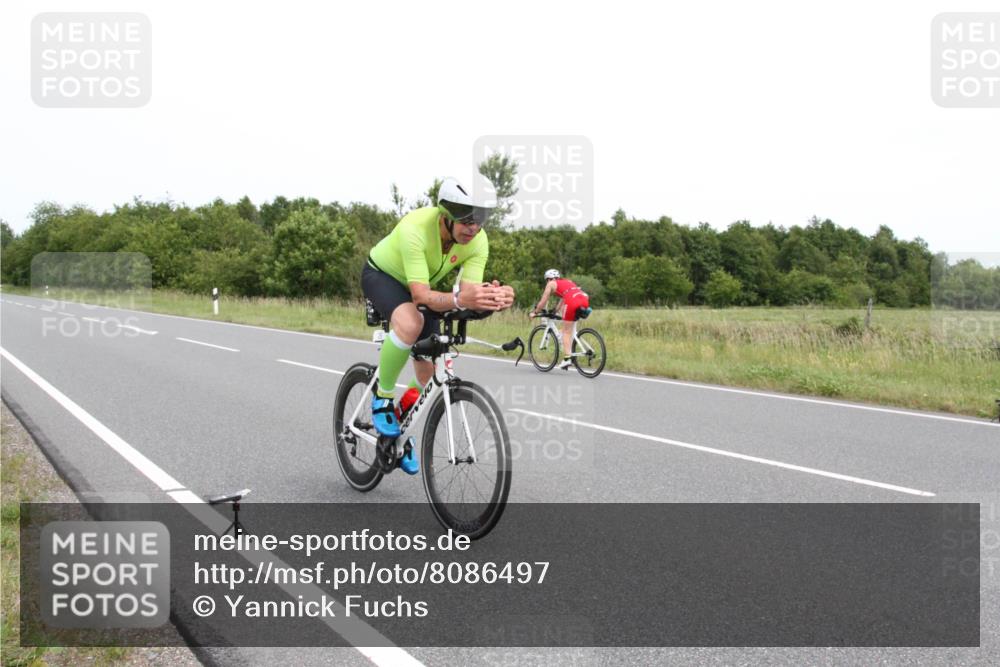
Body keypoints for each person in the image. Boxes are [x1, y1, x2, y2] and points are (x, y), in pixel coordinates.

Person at [362, 177, 515, 473]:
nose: (473, 228)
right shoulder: (415, 228)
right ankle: (383, 397)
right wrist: (460, 298)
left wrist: (491, 298)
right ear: (446, 215)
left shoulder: (478, 241)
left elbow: (466, 296)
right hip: (383, 276)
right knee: (411, 323)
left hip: (423, 287)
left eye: (480, 220)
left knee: (428, 374)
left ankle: (397, 424)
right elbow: (421, 296)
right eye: (466, 220)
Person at [529, 269, 592, 370]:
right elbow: (563, 299)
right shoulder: (567, 281)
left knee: (566, 332)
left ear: (548, 279)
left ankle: (567, 359)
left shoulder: (550, 284)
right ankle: (573, 352)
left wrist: (535, 312)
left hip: (572, 301)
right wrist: (555, 310)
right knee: (570, 330)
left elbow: (543, 301)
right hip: (584, 300)